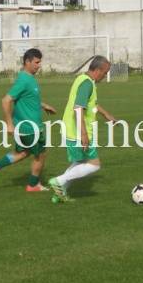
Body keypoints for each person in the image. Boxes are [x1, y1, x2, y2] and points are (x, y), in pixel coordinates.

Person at [0, 48, 57, 192]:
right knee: (41, 155)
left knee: (23, 152)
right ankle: (33, 185)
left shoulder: (28, 79)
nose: (39, 65)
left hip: (24, 127)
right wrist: (9, 124)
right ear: (27, 62)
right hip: (31, 128)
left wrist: (44, 105)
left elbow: (27, 98)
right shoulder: (24, 80)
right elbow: (6, 100)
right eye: (36, 62)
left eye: (40, 62)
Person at [48, 56, 118, 202]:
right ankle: (59, 181)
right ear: (97, 70)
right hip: (77, 132)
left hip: (71, 131)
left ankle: (59, 193)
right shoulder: (87, 84)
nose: (105, 77)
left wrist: (106, 114)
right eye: (105, 73)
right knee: (94, 165)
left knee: (80, 163)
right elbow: (78, 108)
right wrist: (84, 134)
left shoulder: (83, 79)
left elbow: (91, 103)